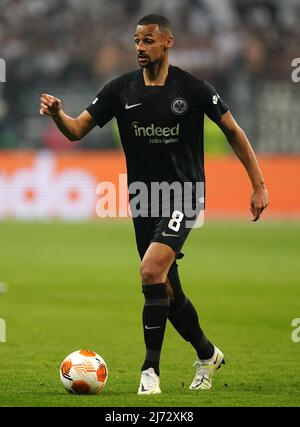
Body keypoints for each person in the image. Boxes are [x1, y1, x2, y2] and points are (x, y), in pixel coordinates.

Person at [40, 14, 269, 395]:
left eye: (148, 41)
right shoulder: (119, 90)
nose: (140, 48)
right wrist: (58, 115)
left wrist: (258, 185)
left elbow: (233, 131)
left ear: (168, 43)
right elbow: (77, 129)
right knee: (165, 290)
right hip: (143, 201)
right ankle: (207, 353)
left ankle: (150, 371)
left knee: (150, 271)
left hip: (184, 195)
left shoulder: (193, 88)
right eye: (136, 41)